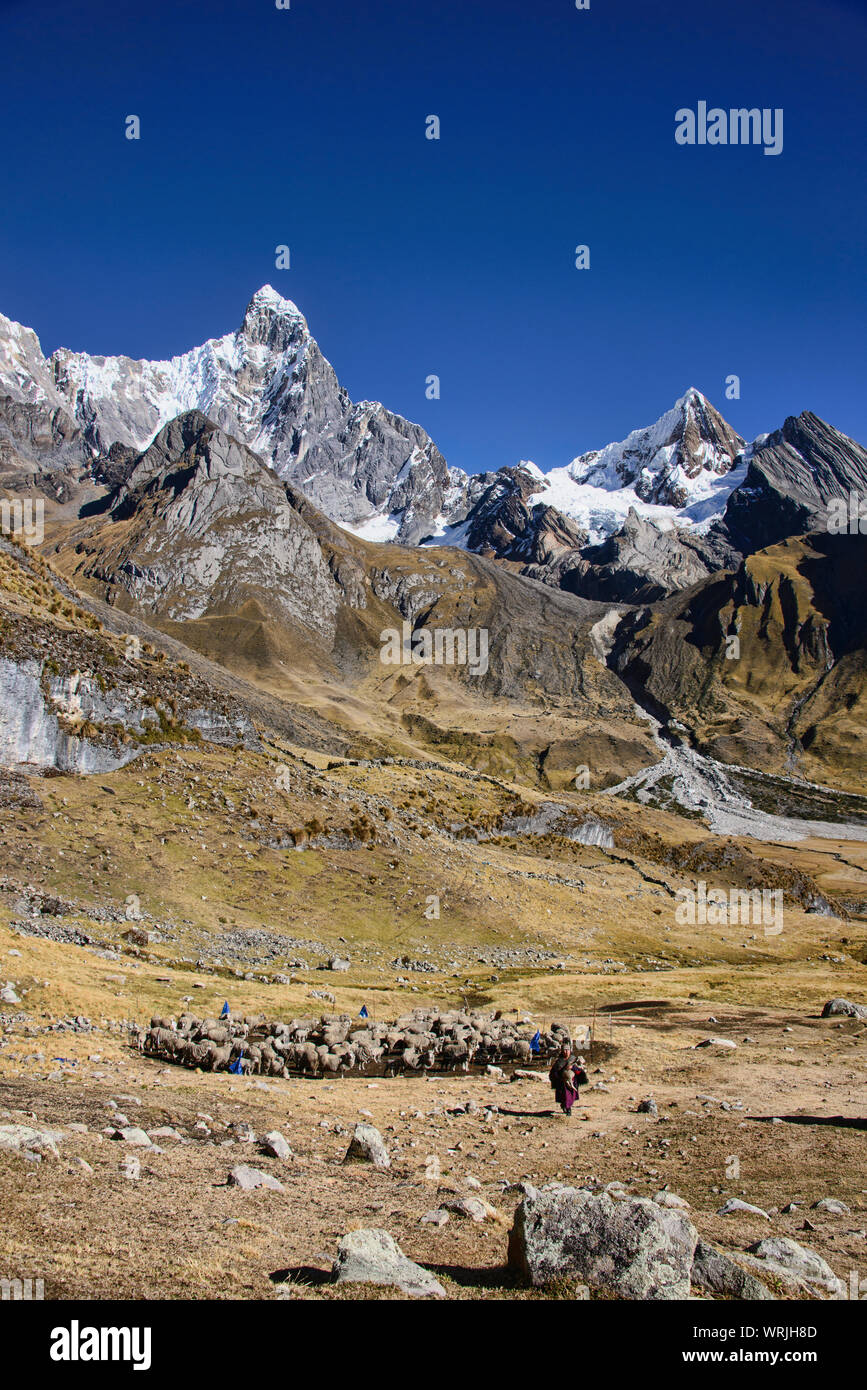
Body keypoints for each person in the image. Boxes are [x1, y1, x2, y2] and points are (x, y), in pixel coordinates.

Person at [549, 1042, 584, 1116]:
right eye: (564, 1050)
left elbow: (579, 1070)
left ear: (570, 1050)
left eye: (567, 1050)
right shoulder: (559, 1061)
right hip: (563, 1083)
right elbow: (554, 1072)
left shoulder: (574, 1059)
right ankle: (568, 1109)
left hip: (573, 1081)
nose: (566, 1052)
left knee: (571, 1096)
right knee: (565, 1096)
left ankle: (566, 1106)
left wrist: (573, 1068)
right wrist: (560, 1077)